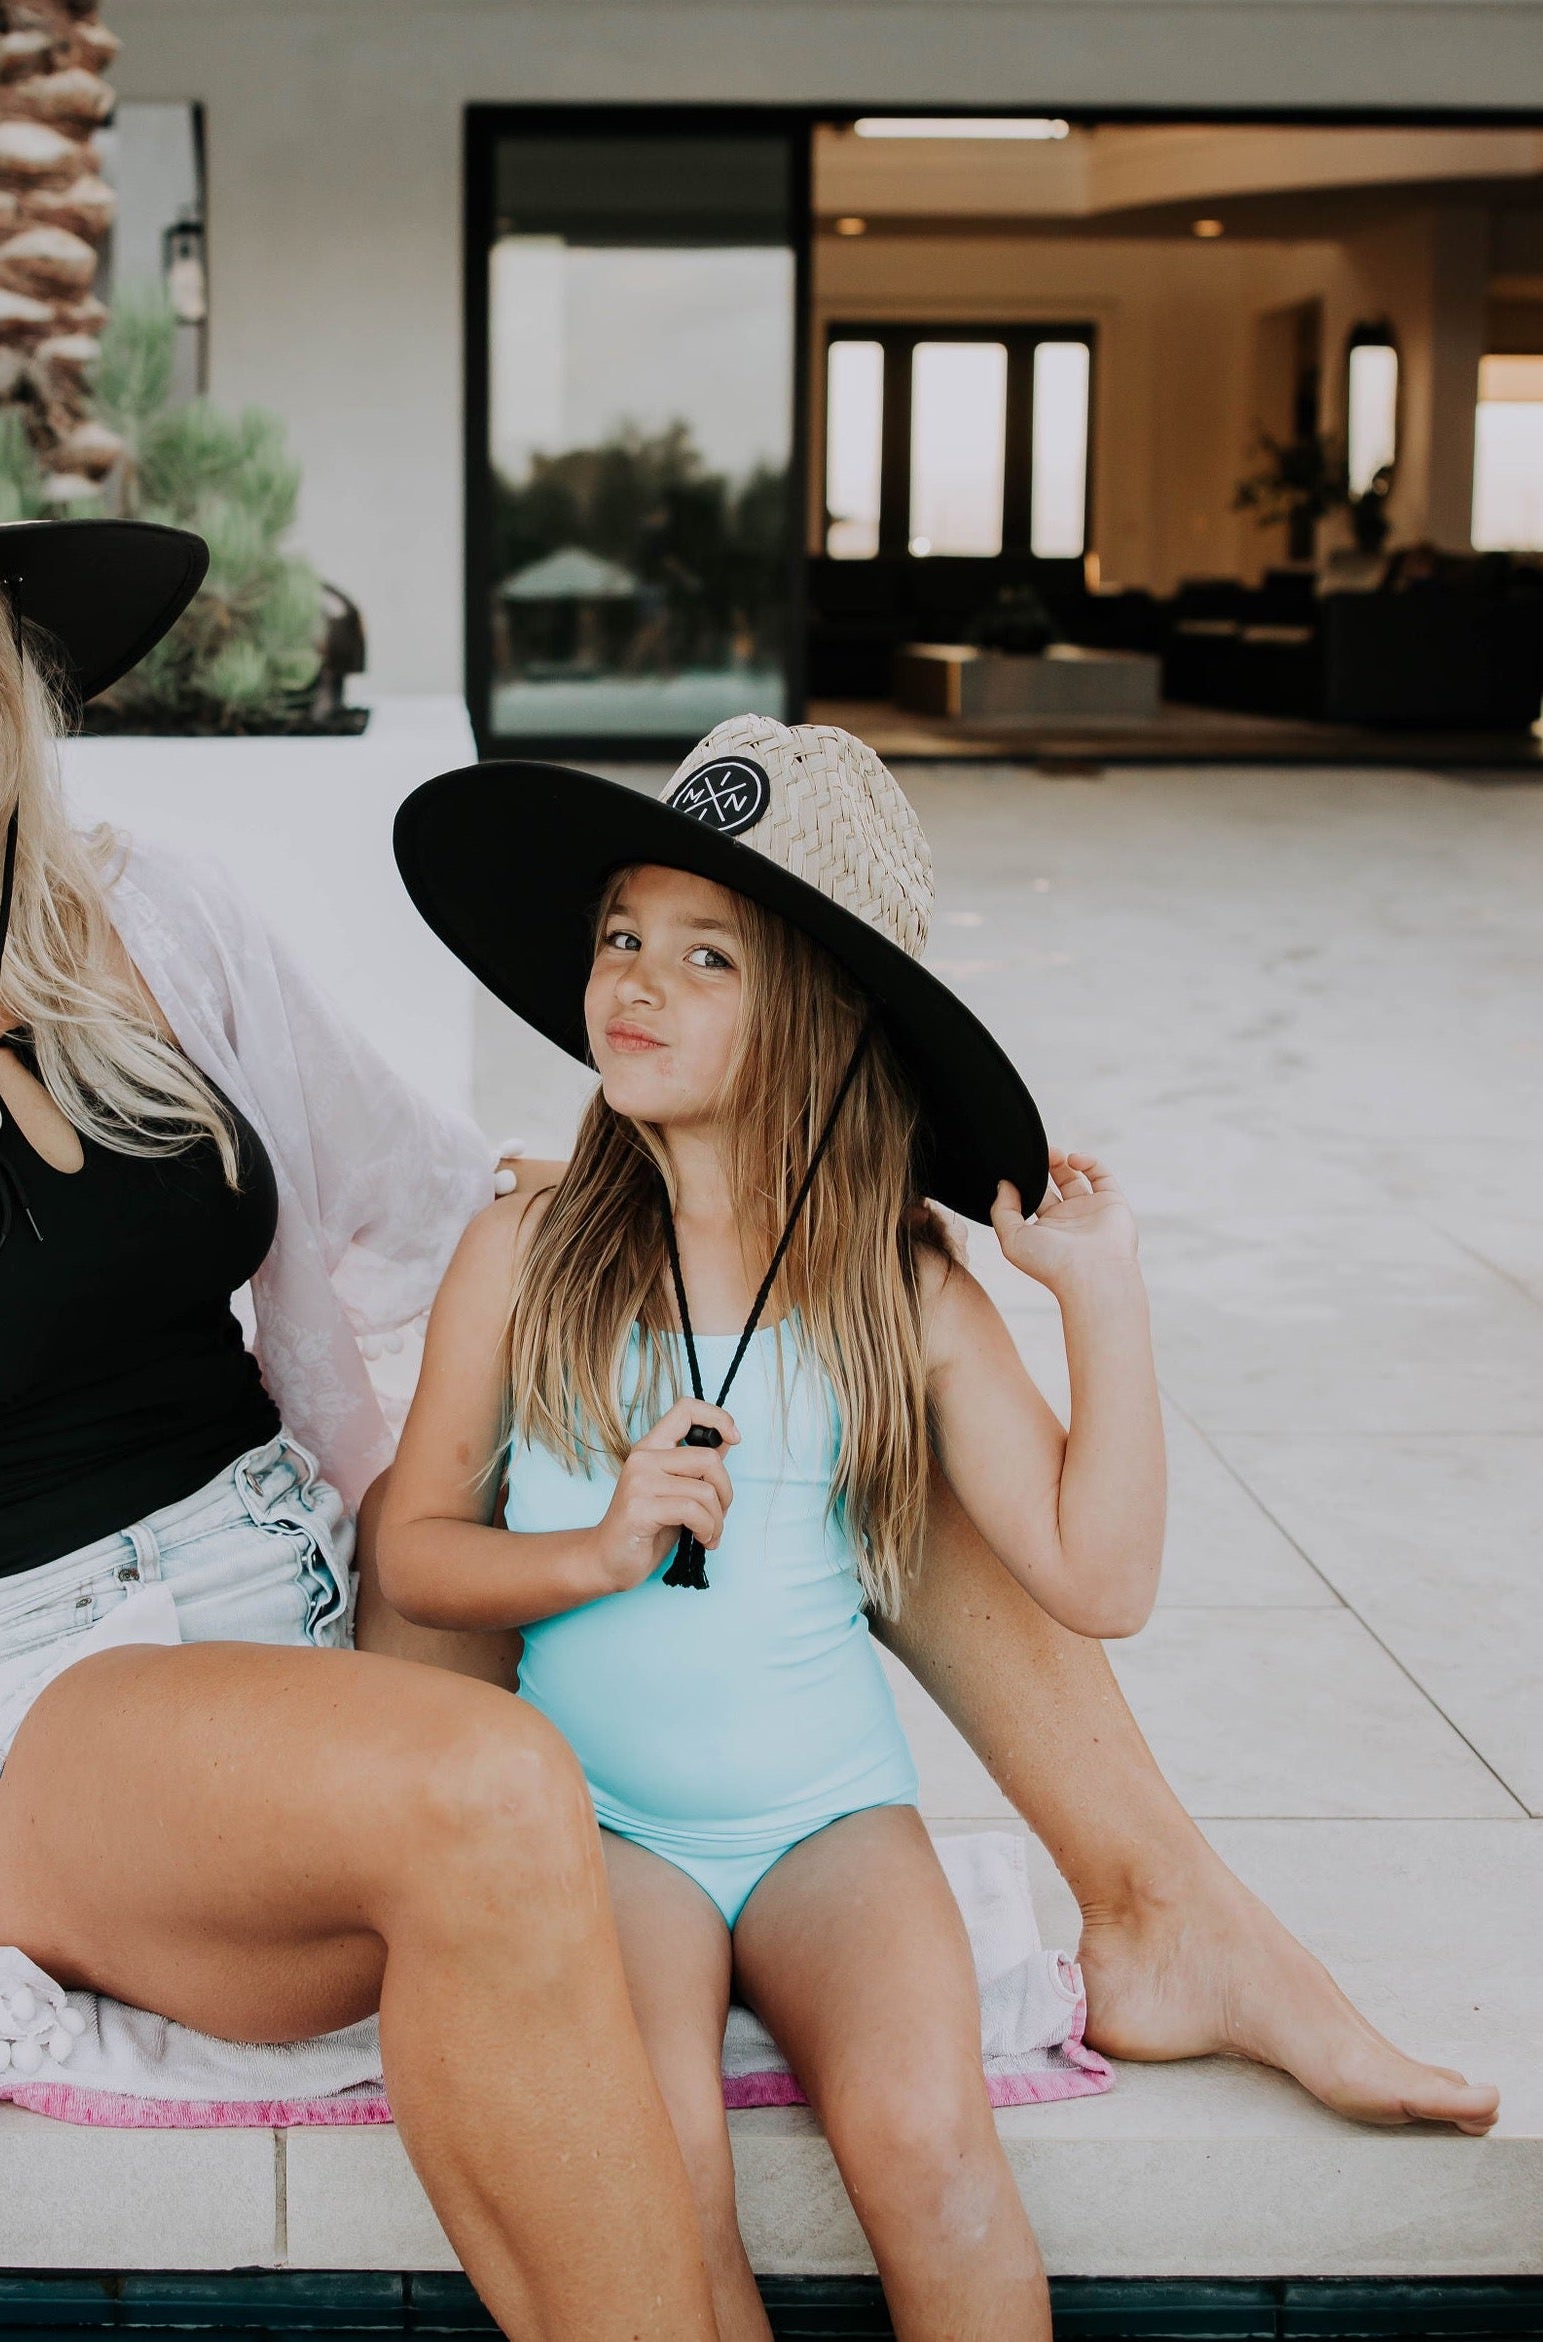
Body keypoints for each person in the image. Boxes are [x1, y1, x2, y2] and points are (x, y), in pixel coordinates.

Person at [0, 356, 1492, 2311]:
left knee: (789, 1375)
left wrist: (733, 1245)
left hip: (323, 1587)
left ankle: (1165, 1905)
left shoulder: (145, 923)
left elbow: (409, 1197)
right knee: (494, 1784)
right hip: (36, 1705)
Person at [378, 725, 1167, 2337]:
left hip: (827, 1822)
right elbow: (414, 1551)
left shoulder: (899, 1282)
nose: (633, 980)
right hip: (605, 1828)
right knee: (662, 2177)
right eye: (618, 935)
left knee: (931, 2149)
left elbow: (1105, 1575)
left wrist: (1102, 1296)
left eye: (703, 951)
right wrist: (595, 1549)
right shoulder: (526, 1251)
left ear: (815, 1005)